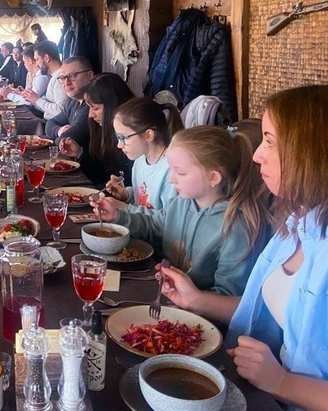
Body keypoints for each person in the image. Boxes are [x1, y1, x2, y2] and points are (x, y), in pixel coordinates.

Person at [156, 85, 328, 411]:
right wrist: (197, 300)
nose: (258, 153)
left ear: (318, 151)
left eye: (270, 142)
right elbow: (264, 314)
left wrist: (282, 382)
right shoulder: (303, 219)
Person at [92, 126, 271, 295]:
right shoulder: (180, 203)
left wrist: (187, 297)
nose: (171, 179)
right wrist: (118, 216)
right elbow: (153, 225)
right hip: (165, 294)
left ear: (213, 177)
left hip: (202, 318)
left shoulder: (237, 226)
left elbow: (228, 294)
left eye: (180, 173)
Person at [104, 97, 184, 212]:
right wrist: (127, 195)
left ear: (148, 136)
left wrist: (124, 207)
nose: (119, 145)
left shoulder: (171, 169)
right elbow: (142, 202)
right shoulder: (140, 161)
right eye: (117, 138)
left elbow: (167, 221)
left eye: (123, 138)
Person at [60, 73, 134, 186]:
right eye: (89, 107)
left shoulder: (133, 139)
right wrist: (80, 154)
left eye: (95, 108)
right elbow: (102, 175)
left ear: (112, 106)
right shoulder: (102, 130)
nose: (90, 115)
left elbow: (130, 187)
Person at [45, 56, 95, 143]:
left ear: (90, 76)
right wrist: (59, 130)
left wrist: (59, 137)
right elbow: (49, 124)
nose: (66, 82)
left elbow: (64, 141)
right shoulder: (72, 102)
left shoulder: (92, 105)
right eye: (62, 78)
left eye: (72, 75)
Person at [21, 40, 70, 121]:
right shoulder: (53, 76)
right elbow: (47, 108)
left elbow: (61, 110)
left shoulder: (60, 77)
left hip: (54, 126)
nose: (36, 64)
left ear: (46, 58)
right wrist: (32, 99)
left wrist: (37, 100)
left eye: (37, 59)